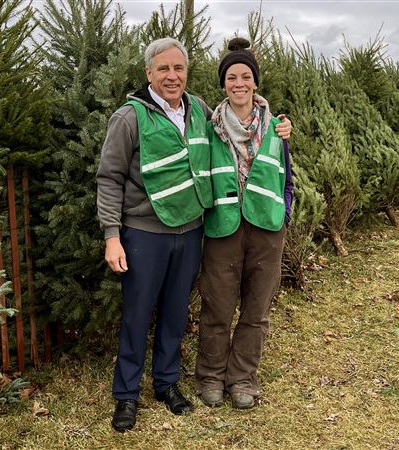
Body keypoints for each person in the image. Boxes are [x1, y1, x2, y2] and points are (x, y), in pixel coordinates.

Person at [96, 37, 291, 432]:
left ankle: (167, 385)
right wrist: (112, 235)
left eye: (179, 68)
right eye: (163, 69)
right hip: (144, 233)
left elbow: (245, 110)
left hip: (190, 231)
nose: (172, 76)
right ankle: (126, 396)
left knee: (174, 313)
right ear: (148, 73)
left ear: (187, 73)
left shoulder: (200, 110)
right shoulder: (130, 117)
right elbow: (109, 177)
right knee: (137, 315)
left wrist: (281, 125)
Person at [194, 37, 293, 410]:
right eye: (232, 76)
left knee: (256, 310)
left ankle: (242, 378)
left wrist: (284, 211)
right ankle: (210, 377)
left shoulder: (277, 127)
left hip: (267, 230)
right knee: (217, 308)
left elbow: (287, 175)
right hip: (223, 228)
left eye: (246, 76)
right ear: (223, 84)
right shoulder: (209, 127)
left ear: (255, 82)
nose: (239, 83)